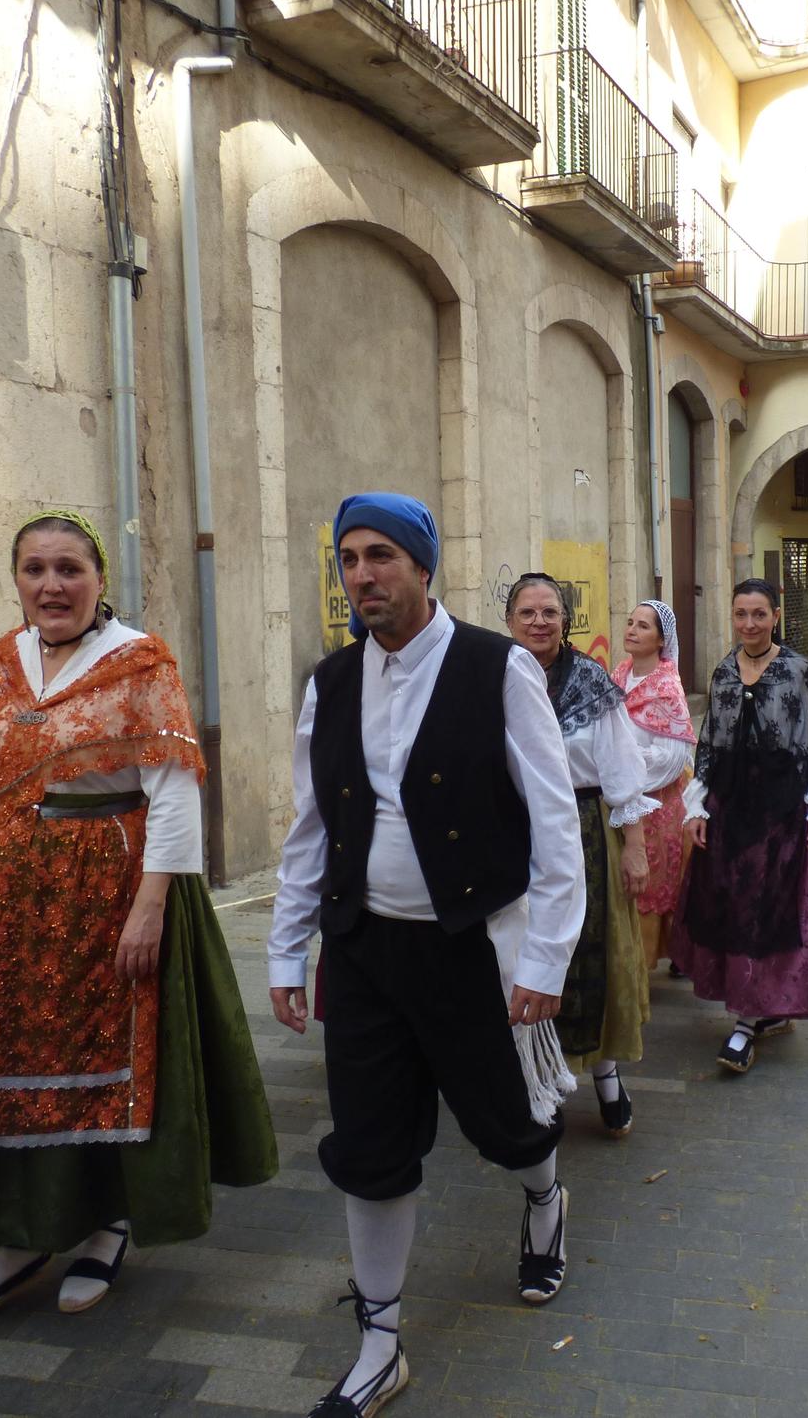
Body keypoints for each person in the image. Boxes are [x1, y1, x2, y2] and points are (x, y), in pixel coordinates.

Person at [0, 510, 276, 1330]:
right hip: (2, 901)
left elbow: (176, 791)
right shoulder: (3, 661)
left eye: (70, 568)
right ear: (17, 580)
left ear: (99, 578)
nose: (52, 585)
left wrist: (150, 909)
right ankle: (16, 1237)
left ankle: (106, 1225)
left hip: (106, 892)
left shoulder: (140, 663)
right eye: (35, 569)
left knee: (101, 1058)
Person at [268, 493, 587, 1415]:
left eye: (381, 556)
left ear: (422, 564)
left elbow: (555, 825)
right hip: (363, 952)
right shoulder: (328, 680)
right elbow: (310, 827)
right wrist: (288, 952)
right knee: (369, 1146)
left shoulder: (500, 668)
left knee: (505, 1126)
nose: (362, 574)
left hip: (474, 949)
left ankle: (544, 1195)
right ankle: (379, 1339)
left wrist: (546, 961)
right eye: (348, 559)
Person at [505, 574, 657, 1138]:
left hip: (586, 832)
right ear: (510, 620)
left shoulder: (592, 682)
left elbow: (621, 772)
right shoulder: (496, 679)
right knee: (525, 957)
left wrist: (634, 847)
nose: (539, 622)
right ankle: (538, 1076)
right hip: (517, 836)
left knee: (597, 962)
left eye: (550, 612)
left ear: (566, 621)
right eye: (527, 612)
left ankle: (607, 1077)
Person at [674, 579, 808, 1075]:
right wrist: (697, 806)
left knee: (771, 913)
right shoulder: (724, 670)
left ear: (776, 615)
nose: (749, 624)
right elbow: (710, 742)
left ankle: (747, 1022)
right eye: (741, 614)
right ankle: (755, 1008)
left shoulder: (796, 671)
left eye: (759, 614)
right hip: (730, 808)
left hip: (782, 809)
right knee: (733, 907)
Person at [611, 601, 697, 968]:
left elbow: (672, 757)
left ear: (662, 639)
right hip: (618, 798)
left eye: (643, 626)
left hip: (656, 800)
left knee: (657, 883)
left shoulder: (666, 688)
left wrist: (623, 770)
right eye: (630, 623)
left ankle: (653, 960)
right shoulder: (618, 674)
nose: (632, 630)